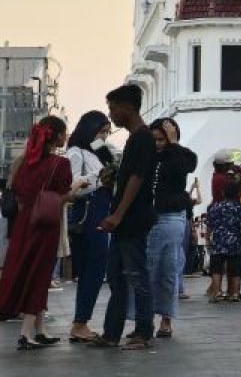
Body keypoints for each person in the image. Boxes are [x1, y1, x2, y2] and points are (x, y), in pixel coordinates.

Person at [0, 116, 78, 349]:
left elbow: (18, 193)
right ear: (56, 136)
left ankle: (40, 329)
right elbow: (64, 196)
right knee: (39, 276)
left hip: (23, 225)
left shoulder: (22, 163)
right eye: (64, 132)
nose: (66, 136)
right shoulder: (60, 164)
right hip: (45, 226)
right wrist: (78, 187)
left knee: (29, 272)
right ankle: (26, 334)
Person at [93, 84, 158, 350]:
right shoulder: (134, 138)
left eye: (113, 108)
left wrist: (118, 215)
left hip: (132, 218)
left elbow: (137, 178)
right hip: (125, 218)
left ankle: (143, 331)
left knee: (136, 275)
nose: (111, 114)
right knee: (118, 277)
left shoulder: (142, 137)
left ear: (128, 108)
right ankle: (111, 332)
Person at [137, 119, 197, 339]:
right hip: (146, 218)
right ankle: (144, 318)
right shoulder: (146, 157)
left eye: (161, 139)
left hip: (171, 217)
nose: (158, 144)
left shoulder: (181, 155)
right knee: (147, 268)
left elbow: (186, 167)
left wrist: (172, 144)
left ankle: (166, 318)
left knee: (168, 268)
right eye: (154, 140)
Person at [65, 110, 114, 343]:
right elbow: (73, 188)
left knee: (94, 270)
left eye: (107, 132)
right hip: (88, 213)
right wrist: (98, 178)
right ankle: (80, 323)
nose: (104, 136)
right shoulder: (76, 153)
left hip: (102, 211)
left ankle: (81, 320)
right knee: (91, 270)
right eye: (101, 131)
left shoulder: (98, 153)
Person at [206, 181, 241, 303]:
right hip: (234, 241)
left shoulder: (215, 206)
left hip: (218, 242)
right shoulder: (239, 207)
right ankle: (235, 294)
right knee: (235, 269)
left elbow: (209, 225)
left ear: (223, 192)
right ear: (237, 193)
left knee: (216, 269)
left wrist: (207, 239)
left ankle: (216, 293)